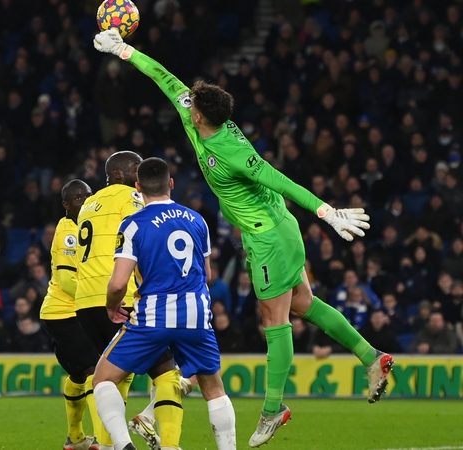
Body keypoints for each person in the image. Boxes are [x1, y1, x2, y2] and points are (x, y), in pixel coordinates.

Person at [94, 28, 393, 447]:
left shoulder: (234, 150)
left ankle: (273, 408)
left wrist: (326, 211)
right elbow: (164, 78)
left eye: (191, 103)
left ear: (199, 115)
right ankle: (371, 357)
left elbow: (275, 177)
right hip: (275, 229)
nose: (186, 102)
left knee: (275, 320)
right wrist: (124, 50)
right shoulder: (194, 116)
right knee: (305, 304)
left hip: (268, 235)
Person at [94, 158, 236, 450]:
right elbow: (207, 275)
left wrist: (112, 306)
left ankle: (122, 445)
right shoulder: (197, 220)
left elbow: (119, 283)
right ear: (171, 184)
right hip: (196, 315)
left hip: (153, 316)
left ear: (137, 187)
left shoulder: (133, 224)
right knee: (214, 389)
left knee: (104, 379)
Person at [74, 150, 184, 450]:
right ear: (120, 175)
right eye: (137, 169)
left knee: (111, 377)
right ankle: (171, 445)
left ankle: (109, 445)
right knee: (168, 373)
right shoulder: (129, 198)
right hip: (118, 298)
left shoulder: (88, 205)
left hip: (85, 302)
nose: (142, 174)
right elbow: (148, 231)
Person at [39, 179, 102, 450]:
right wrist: (97, 299)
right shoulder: (68, 230)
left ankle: (75, 438)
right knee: (95, 372)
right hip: (64, 312)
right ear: (66, 205)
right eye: (77, 199)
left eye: (87, 197)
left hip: (70, 312)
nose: (84, 202)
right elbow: (66, 280)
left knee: (79, 376)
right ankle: (104, 439)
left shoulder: (88, 226)